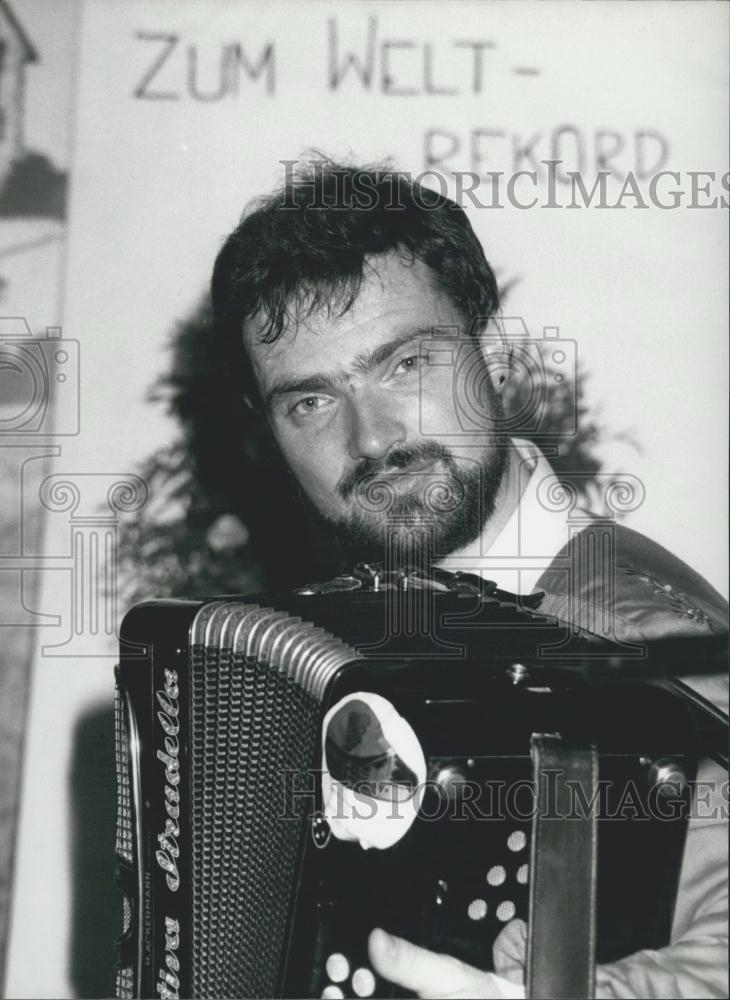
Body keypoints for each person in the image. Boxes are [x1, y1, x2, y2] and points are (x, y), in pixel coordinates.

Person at [211, 160, 728, 998]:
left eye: (407, 365)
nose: (371, 438)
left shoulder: (641, 633)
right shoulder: (334, 634)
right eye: (310, 402)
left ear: (489, 352)